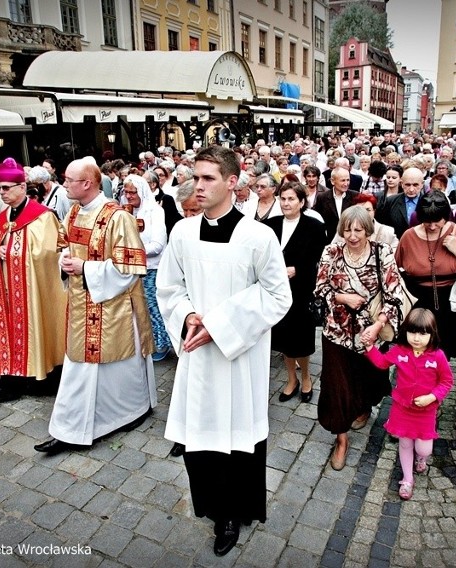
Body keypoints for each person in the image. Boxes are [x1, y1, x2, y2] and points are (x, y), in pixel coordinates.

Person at [156, 146, 291, 557]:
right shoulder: (182, 232)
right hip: (197, 354)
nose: (198, 185)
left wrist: (219, 325)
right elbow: (168, 287)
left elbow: (277, 295)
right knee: (201, 434)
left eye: (208, 178)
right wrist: (188, 315)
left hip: (240, 356)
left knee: (236, 438)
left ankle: (234, 513)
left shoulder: (258, 237)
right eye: (195, 177)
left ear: (233, 182)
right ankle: (211, 507)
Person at [35, 156, 156, 455]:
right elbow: (64, 245)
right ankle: (72, 426)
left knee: (117, 366)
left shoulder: (118, 217)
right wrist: (64, 260)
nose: (63, 184)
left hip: (114, 306)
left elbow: (130, 269)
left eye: (68, 180)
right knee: (80, 366)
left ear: (87, 183)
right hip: (81, 302)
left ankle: (131, 411)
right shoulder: (74, 213)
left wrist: (85, 268)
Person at [313, 206, 403, 472]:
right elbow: (320, 287)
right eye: (348, 229)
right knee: (336, 386)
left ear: (368, 229)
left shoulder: (381, 252)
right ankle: (341, 439)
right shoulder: (332, 252)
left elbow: (394, 293)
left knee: (368, 378)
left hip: (369, 332)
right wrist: (342, 297)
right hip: (336, 331)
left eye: (358, 230)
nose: (352, 236)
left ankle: (363, 407)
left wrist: (378, 325)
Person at [0, 158, 68, 403]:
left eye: (6, 188)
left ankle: (39, 379)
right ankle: (9, 381)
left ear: (21, 187)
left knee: (35, 327)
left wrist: (15, 253)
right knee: (8, 329)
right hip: (9, 287)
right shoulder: (3, 216)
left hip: (33, 289)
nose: (2, 193)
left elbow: (48, 254)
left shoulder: (42, 216)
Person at [364, 308, 453, 500]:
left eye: (423, 333)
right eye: (412, 332)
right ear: (405, 332)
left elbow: (446, 381)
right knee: (404, 443)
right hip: (402, 408)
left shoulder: (437, 356)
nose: (417, 338)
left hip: (426, 411)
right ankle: (407, 479)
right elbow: (382, 363)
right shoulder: (400, 351)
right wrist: (370, 348)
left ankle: (421, 459)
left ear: (432, 334)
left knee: (424, 448)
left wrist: (432, 397)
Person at [394, 191, 456, 360]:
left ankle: (439, 384)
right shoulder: (409, 236)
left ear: (446, 217)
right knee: (416, 351)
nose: (431, 226)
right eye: (427, 221)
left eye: (437, 221)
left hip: (450, 302)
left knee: (442, 353)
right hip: (417, 302)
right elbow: (394, 268)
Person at [264, 182, 325, 404]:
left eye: (291, 199)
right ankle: (291, 380)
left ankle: (306, 377)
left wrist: (298, 269)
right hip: (276, 291)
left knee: (301, 338)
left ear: (301, 202)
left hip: (301, 291)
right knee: (283, 338)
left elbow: (319, 260)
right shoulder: (270, 225)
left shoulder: (314, 226)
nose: (286, 203)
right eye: (283, 198)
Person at [121, 174, 172, 362]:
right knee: (137, 310)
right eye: (125, 192)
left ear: (141, 191)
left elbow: (158, 245)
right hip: (131, 269)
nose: (128, 196)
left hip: (152, 268)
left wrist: (131, 252)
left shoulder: (154, 211)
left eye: (132, 192)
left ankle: (162, 344)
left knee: (153, 308)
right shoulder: (126, 211)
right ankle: (144, 342)